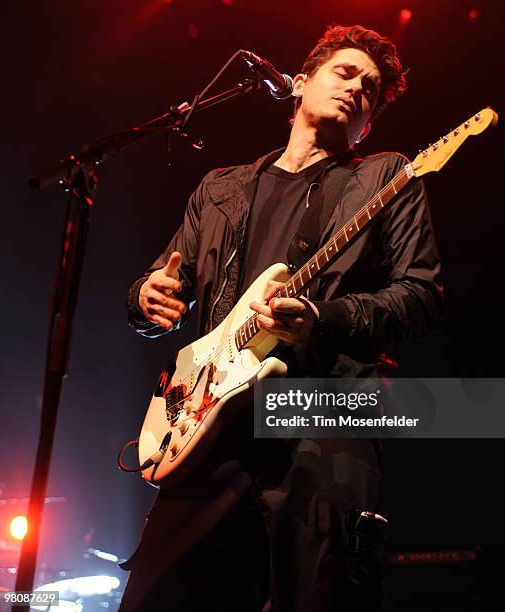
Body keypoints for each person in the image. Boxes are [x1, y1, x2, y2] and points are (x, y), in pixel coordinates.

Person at [120, 24, 442, 612]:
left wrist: (324, 318)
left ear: (370, 122)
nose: (357, 88)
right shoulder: (221, 188)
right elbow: (165, 282)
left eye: (370, 90)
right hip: (209, 417)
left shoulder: (387, 178)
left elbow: (421, 296)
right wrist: (147, 295)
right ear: (297, 84)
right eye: (345, 73)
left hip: (321, 411)